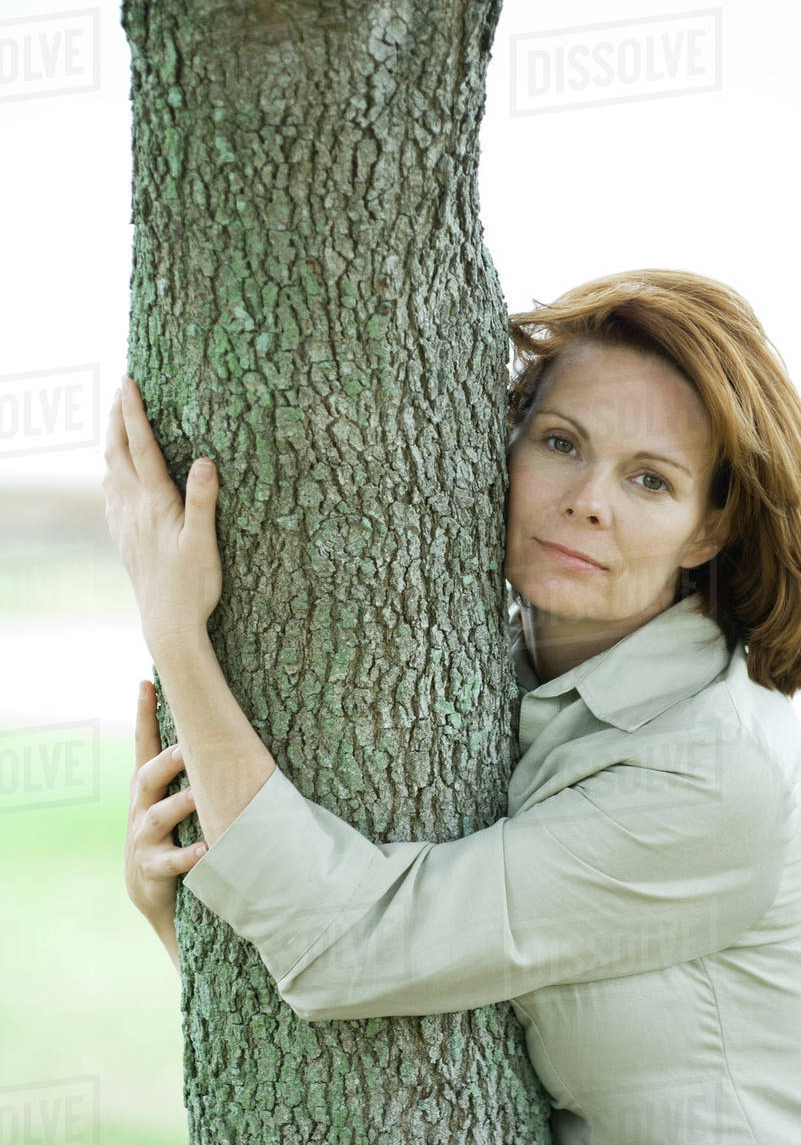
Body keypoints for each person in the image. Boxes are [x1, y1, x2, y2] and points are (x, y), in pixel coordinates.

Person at [106, 268, 801, 1145]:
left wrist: (175, 628)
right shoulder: (505, 683)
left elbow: (353, 948)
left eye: (651, 481)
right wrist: (179, 904)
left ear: (707, 531)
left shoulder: (712, 768)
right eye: (560, 442)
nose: (587, 502)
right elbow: (389, 1029)